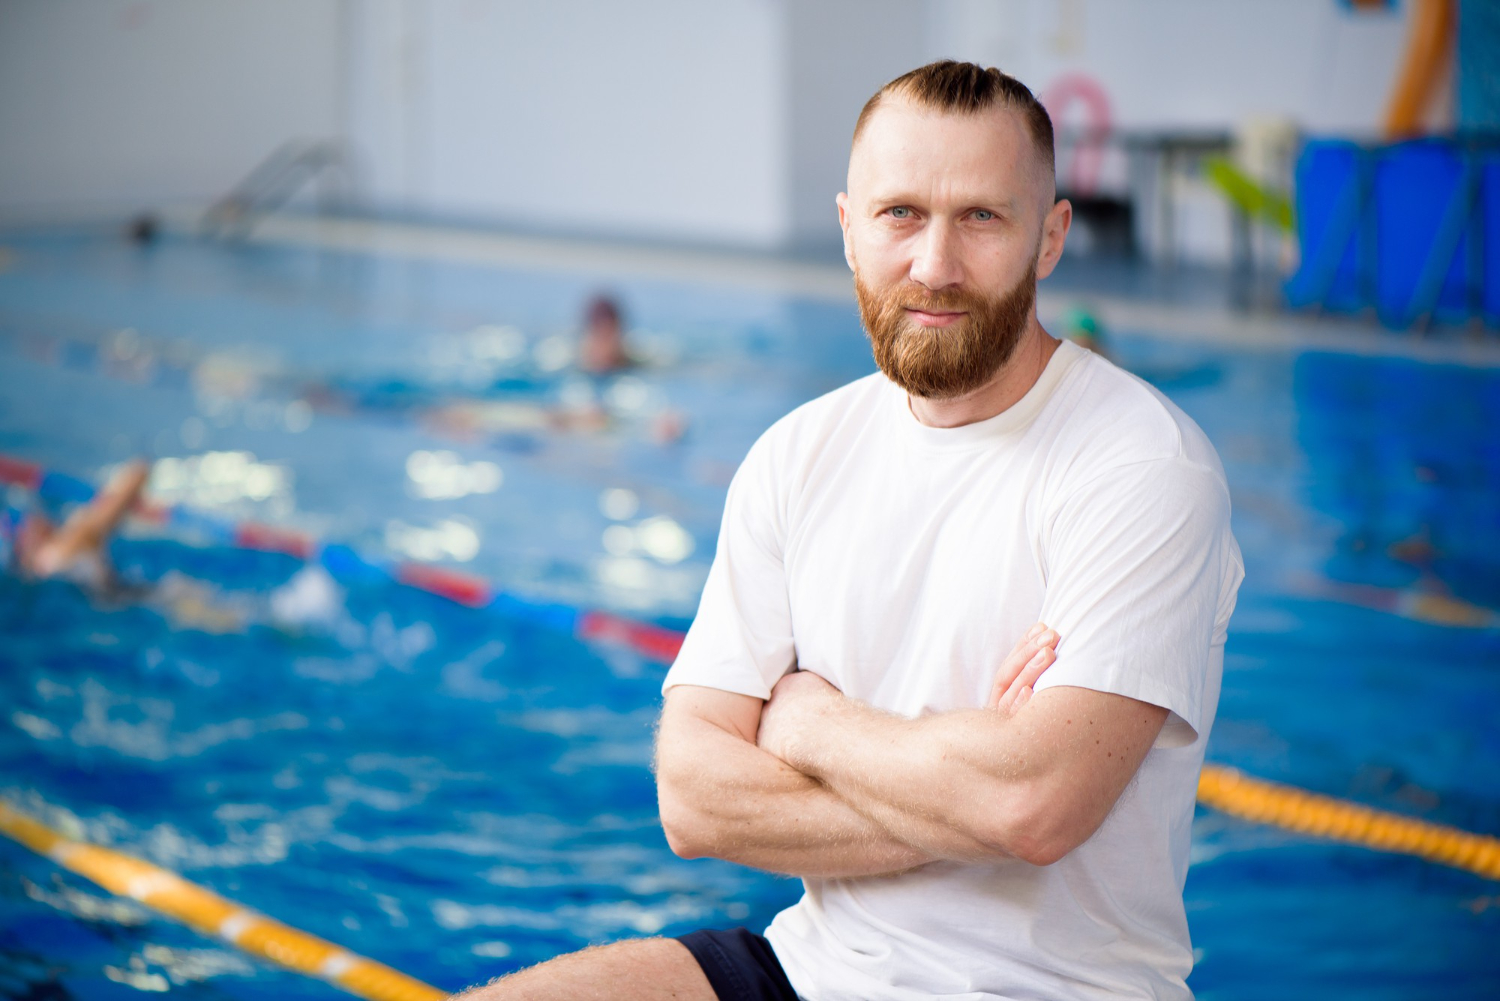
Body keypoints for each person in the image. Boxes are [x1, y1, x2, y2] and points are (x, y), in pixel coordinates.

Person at [456, 60, 1242, 1001]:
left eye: (982, 217)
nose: (935, 264)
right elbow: (695, 797)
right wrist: (967, 777)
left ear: (1051, 237)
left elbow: (1032, 807)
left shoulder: (1143, 467)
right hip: (811, 966)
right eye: (900, 214)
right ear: (847, 230)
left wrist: (809, 720)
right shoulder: (799, 454)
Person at [11, 459, 152, 595]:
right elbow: (107, 512)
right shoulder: (60, 548)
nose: (32, 521)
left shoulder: (48, 565)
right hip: (117, 601)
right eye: (25, 528)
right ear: (27, 548)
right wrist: (140, 470)